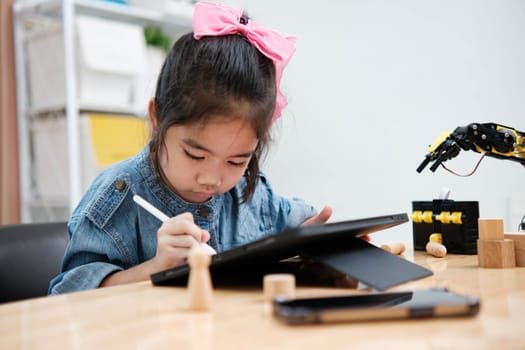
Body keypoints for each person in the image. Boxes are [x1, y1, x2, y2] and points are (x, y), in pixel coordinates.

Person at [48, 2, 332, 294]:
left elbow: (299, 223)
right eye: (196, 155)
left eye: (236, 162)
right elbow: (66, 296)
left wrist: (312, 242)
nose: (212, 178)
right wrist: (155, 268)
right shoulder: (116, 196)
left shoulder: (252, 196)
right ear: (157, 118)